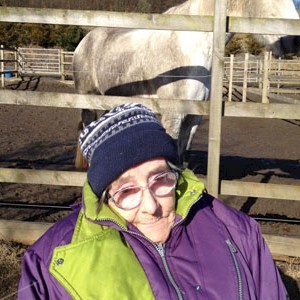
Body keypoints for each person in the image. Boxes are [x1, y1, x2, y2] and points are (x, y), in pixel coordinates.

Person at [18, 103, 288, 299]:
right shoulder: (49, 264)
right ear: (105, 196)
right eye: (126, 191)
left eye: (160, 179)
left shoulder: (237, 231)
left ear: (176, 173)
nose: (151, 206)